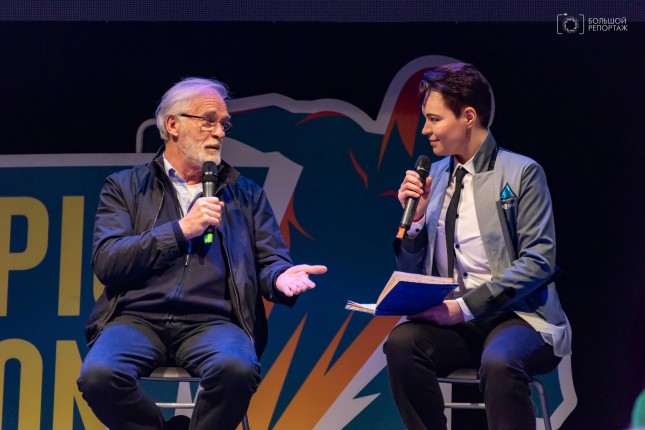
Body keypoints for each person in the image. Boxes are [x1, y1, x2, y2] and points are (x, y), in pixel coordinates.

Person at [77, 77, 327, 430]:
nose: (219, 132)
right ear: (173, 125)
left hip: (214, 322)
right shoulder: (124, 187)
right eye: (208, 120)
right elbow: (108, 260)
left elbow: (270, 261)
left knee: (237, 369)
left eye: (224, 124)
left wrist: (280, 277)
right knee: (99, 376)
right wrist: (181, 231)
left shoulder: (246, 195)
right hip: (136, 319)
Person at [383, 63, 571, 430]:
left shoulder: (521, 172)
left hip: (521, 318)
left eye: (434, 119)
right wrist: (416, 221)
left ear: (468, 117)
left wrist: (464, 307)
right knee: (402, 344)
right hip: (457, 323)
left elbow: (539, 261)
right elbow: (410, 270)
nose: (425, 130)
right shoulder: (433, 177)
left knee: (499, 362)